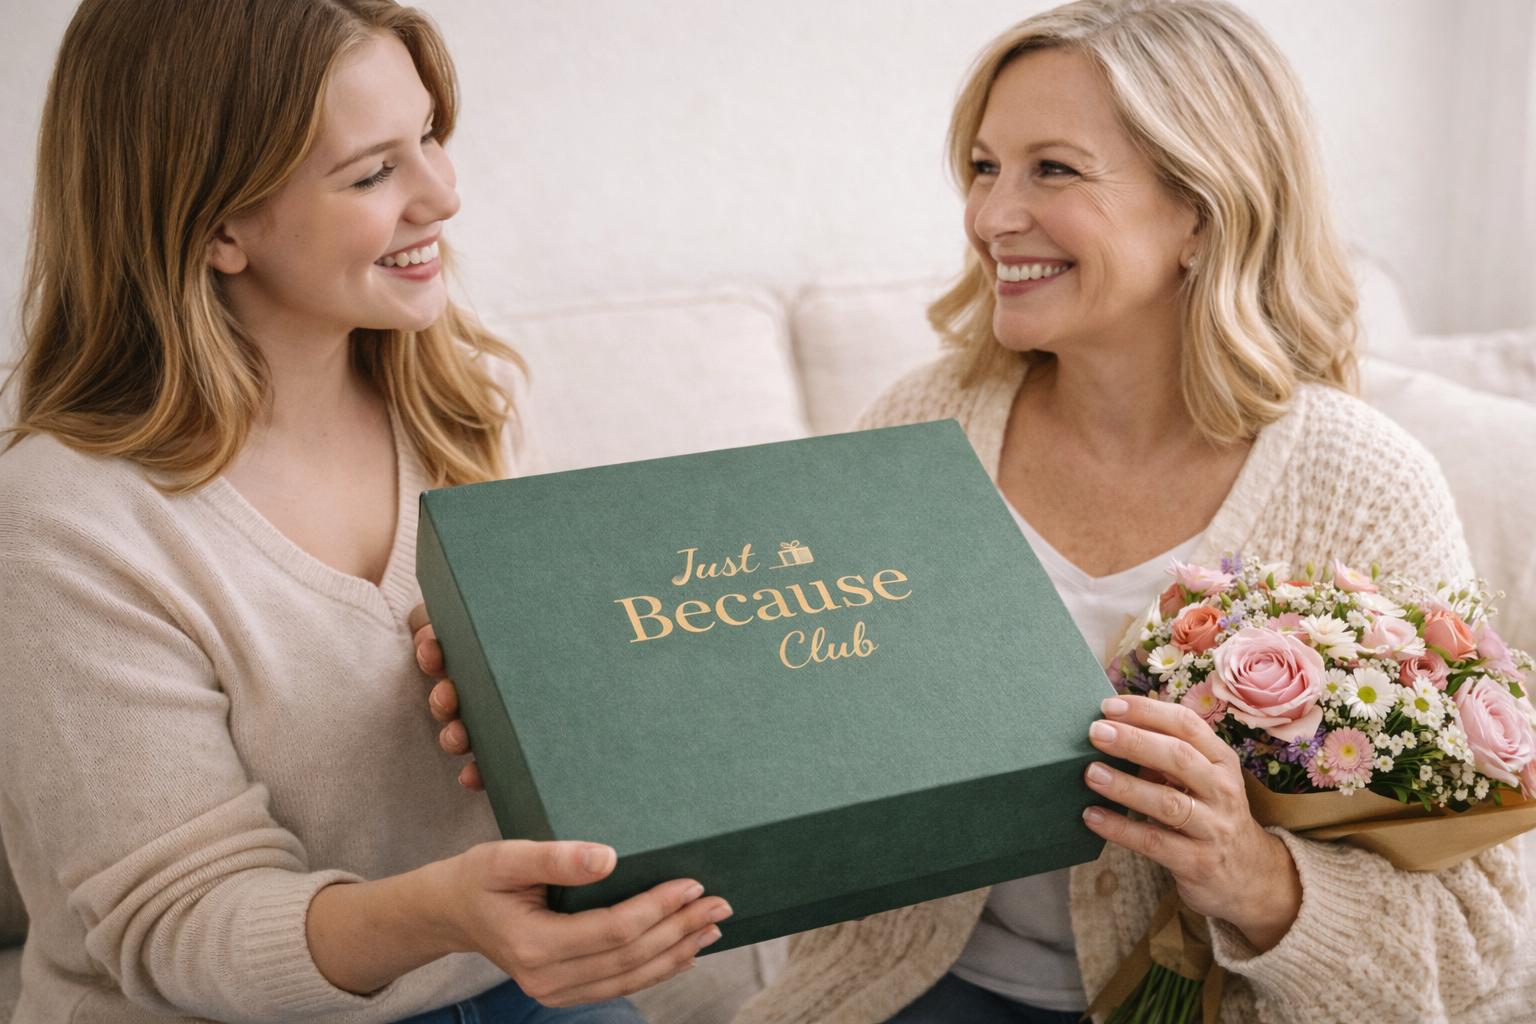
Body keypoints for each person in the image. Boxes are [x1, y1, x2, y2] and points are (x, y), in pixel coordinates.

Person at [421, 1, 1536, 1021]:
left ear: (1201, 210)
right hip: (903, 991)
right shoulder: (922, 424)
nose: (993, 214)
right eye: (984, 166)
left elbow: (1479, 935)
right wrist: (555, 699)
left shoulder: (1362, 487)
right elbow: (781, 710)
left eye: (1053, 169)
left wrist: (1252, 875)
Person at [0, 1, 732, 1022]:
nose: (444, 195)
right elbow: (178, 925)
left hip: (507, 980)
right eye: (374, 172)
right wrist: (444, 912)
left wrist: (570, 691)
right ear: (217, 226)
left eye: (429, 135)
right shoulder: (66, 520)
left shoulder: (467, 402)